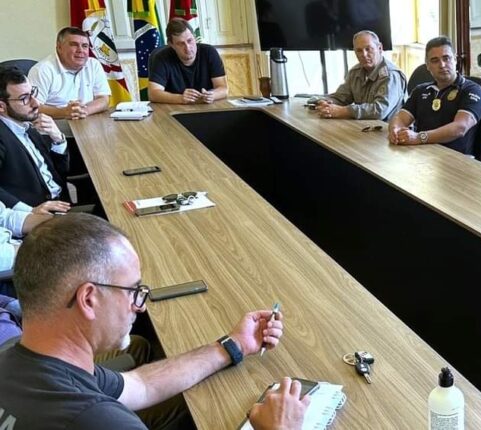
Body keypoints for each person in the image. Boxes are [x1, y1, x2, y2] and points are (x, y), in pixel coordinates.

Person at [0, 213, 309, 429]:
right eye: (133, 291)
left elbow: (141, 385)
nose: (140, 306)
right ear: (89, 299)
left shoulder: (18, 358)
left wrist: (233, 345)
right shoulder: (94, 419)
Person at [388, 36, 481, 156]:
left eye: (446, 58)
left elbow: (459, 128)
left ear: (455, 60)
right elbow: (400, 118)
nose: (442, 65)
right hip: (421, 156)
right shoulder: (420, 91)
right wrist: (395, 130)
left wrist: (419, 137)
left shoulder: (472, 90)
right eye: (435, 60)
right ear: (427, 66)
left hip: (455, 160)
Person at [0, 67, 72, 215]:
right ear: (1, 106)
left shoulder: (28, 125)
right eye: (24, 98)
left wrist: (57, 138)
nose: (36, 103)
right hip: (36, 216)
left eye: (32, 93)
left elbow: (61, 170)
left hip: (61, 204)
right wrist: (30, 212)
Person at [28, 27, 111, 127]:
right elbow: (33, 107)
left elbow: (103, 99)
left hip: (86, 125)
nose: (80, 50)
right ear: (59, 48)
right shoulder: (42, 70)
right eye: (74, 45)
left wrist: (84, 111)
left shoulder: (93, 65)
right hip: (53, 129)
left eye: (85, 46)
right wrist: (64, 112)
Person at [315, 30, 406, 121]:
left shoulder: (391, 75)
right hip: (364, 125)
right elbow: (341, 98)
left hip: (388, 128)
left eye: (368, 49)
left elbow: (379, 111)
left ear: (380, 48)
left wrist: (344, 111)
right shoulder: (355, 72)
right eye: (359, 51)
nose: (364, 54)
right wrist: (327, 103)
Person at [148, 18, 228, 104]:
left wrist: (212, 95)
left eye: (190, 41)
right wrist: (180, 98)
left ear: (194, 37)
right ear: (171, 45)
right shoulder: (161, 58)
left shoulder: (209, 52)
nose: (188, 48)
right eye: (181, 44)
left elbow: (223, 88)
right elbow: (153, 94)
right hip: (174, 108)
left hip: (206, 106)